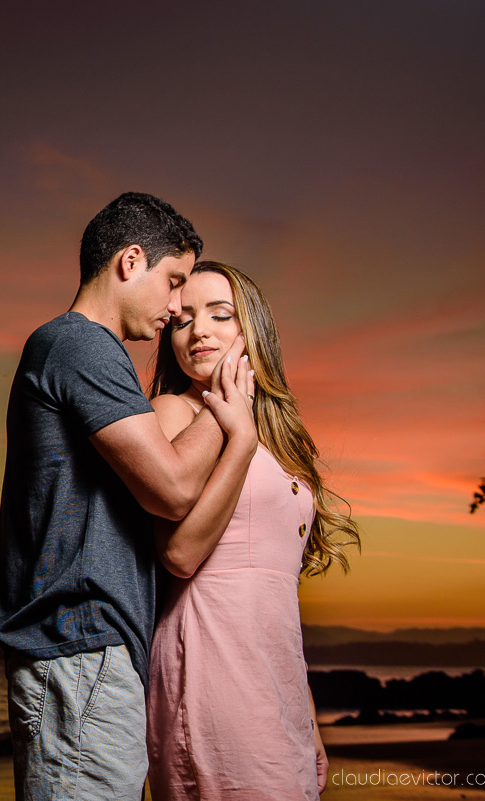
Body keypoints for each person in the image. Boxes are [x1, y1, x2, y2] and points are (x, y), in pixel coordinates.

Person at [0, 194, 257, 801]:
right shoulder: (79, 343)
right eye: (174, 283)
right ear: (130, 261)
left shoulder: (80, 349)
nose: (175, 307)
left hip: (86, 652)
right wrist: (228, 402)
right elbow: (172, 489)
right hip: (81, 647)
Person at [146, 261, 360, 800]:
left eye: (221, 314)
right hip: (211, 662)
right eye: (182, 319)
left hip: (276, 675)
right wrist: (234, 430)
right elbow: (178, 552)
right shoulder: (171, 412)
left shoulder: (282, 435)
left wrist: (306, 713)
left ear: (253, 329)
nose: (199, 331)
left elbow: (277, 598)